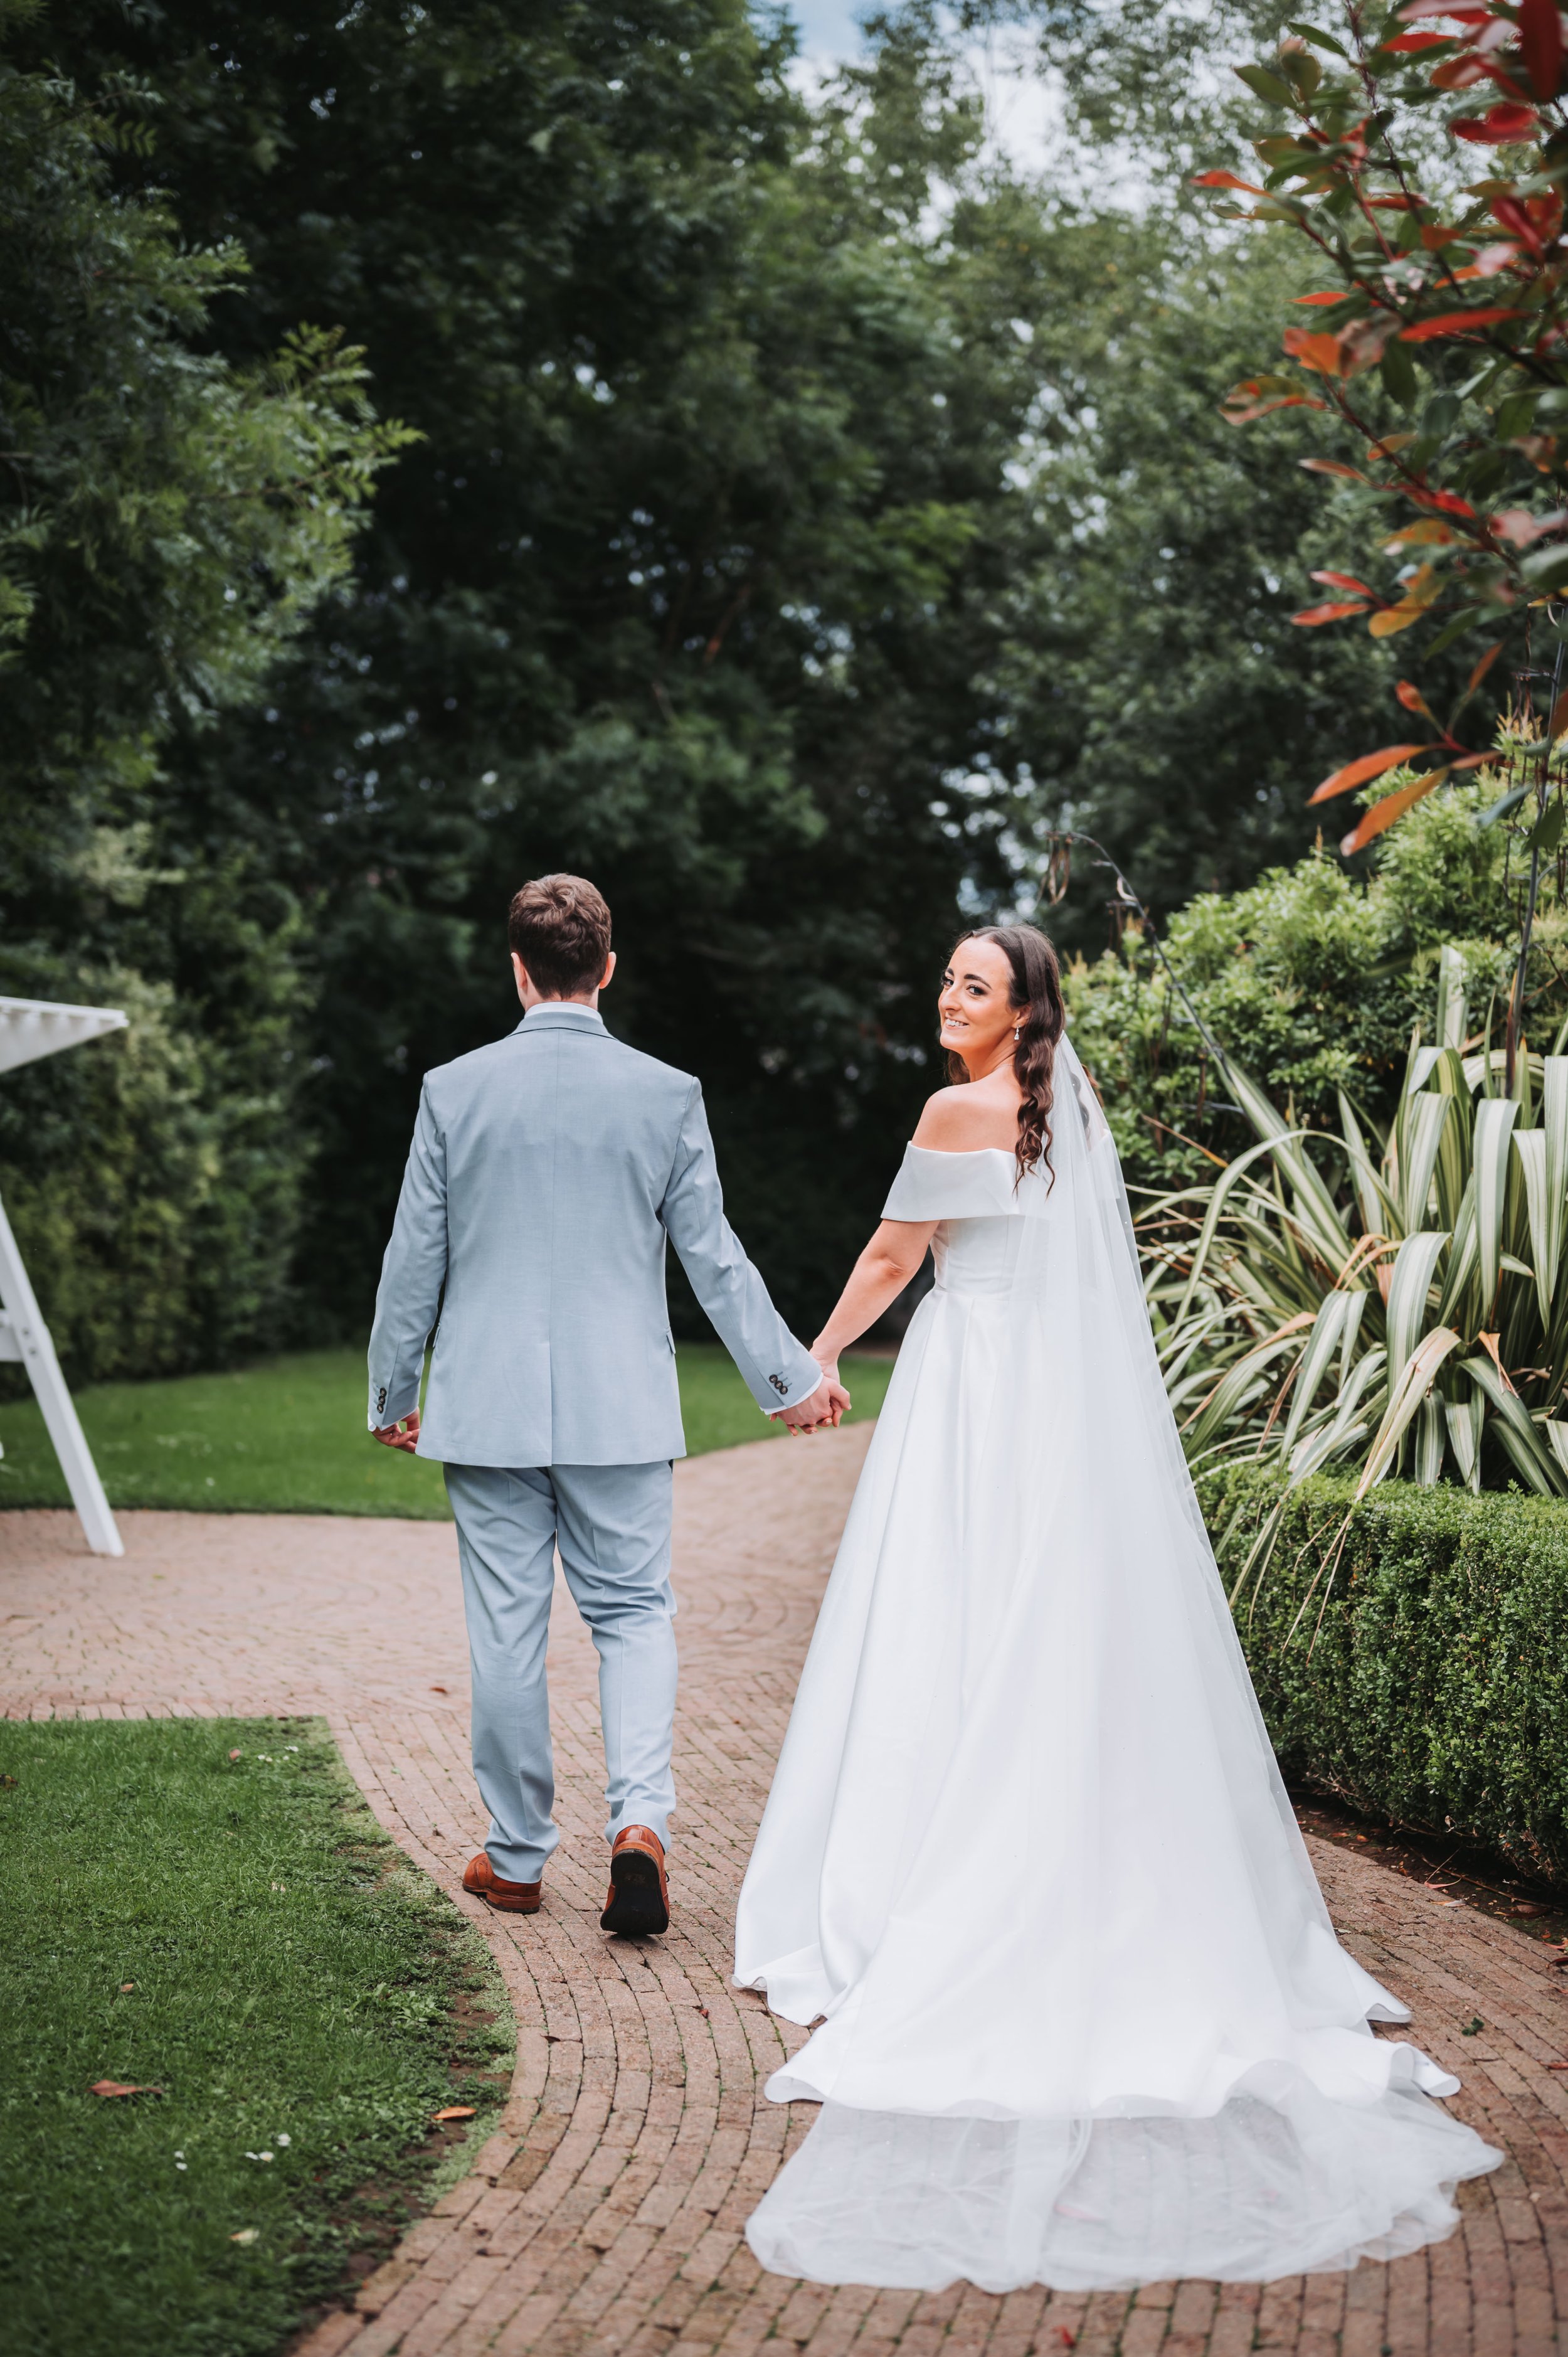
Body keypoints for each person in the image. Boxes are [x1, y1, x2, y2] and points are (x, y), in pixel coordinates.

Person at [733, 923, 1501, 2290]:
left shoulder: (955, 1105)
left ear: (1020, 1007)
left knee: (942, 1620)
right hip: (1052, 1407)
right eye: (947, 977)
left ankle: (919, 1876)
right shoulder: (1061, 1098)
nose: (946, 995)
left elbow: (895, 1254)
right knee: (1047, 1632)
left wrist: (813, 1355)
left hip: (970, 1388)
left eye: (973, 983)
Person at [367, 873, 846, 1937]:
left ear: (518, 968)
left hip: (486, 1405)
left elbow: (415, 1258)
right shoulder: (665, 1093)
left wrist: (397, 1389)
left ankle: (517, 1856)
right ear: (608, 968)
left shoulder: (455, 1088)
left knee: (506, 1630)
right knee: (633, 1615)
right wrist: (792, 1378)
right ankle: (640, 1829)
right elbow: (714, 1258)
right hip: (621, 1407)